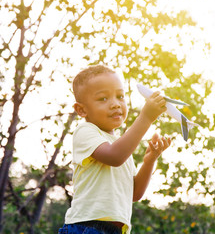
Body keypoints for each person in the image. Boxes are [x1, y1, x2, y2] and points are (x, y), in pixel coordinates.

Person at [58, 65, 171, 234]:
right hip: (87, 227)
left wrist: (149, 161)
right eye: (103, 99)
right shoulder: (86, 131)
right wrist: (146, 117)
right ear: (81, 109)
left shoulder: (119, 144)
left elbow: (134, 194)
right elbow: (115, 157)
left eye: (120, 96)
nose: (115, 104)